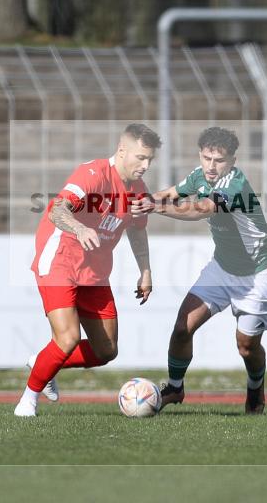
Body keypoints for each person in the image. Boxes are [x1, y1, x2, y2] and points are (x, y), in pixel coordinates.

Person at [15, 123, 161, 417]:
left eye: (150, 160)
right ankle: (28, 400)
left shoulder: (138, 190)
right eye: (140, 157)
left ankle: (43, 362)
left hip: (94, 272)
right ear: (122, 151)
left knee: (106, 351)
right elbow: (58, 209)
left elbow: (137, 230)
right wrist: (80, 228)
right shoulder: (93, 173)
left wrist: (145, 270)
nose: (145, 165)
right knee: (67, 338)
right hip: (60, 261)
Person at [131, 127, 267, 414]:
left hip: (257, 273)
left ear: (232, 160)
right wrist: (140, 200)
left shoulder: (234, 184)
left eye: (219, 160)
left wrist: (154, 207)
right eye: (207, 158)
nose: (211, 166)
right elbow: (170, 193)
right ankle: (175, 387)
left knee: (246, 346)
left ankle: (255, 388)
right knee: (182, 328)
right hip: (222, 268)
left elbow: (200, 209)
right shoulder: (200, 175)